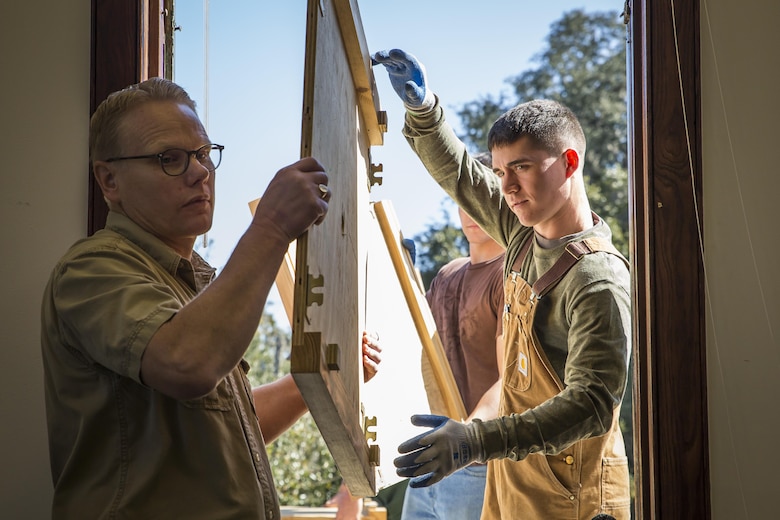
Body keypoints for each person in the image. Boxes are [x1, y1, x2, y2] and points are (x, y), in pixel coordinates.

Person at [40, 76, 381, 519]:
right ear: (109, 180)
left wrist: (317, 376)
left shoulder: (195, 281)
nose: (200, 172)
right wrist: (272, 228)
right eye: (170, 159)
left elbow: (228, 428)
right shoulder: (91, 270)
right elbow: (188, 364)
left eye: (203, 154)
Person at [372, 49, 632, 520]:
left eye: (524, 168)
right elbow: (459, 175)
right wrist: (423, 111)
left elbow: (593, 405)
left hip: (576, 498)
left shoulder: (598, 278)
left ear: (569, 163)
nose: (507, 187)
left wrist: (474, 440)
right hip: (513, 491)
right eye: (500, 171)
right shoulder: (521, 234)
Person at [326, 201, 505, 520]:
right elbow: (413, 354)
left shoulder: (510, 275)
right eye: (464, 200)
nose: (472, 210)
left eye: (482, 197)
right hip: (430, 462)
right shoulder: (448, 274)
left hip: (478, 467)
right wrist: (395, 282)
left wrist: (464, 440)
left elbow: (509, 382)